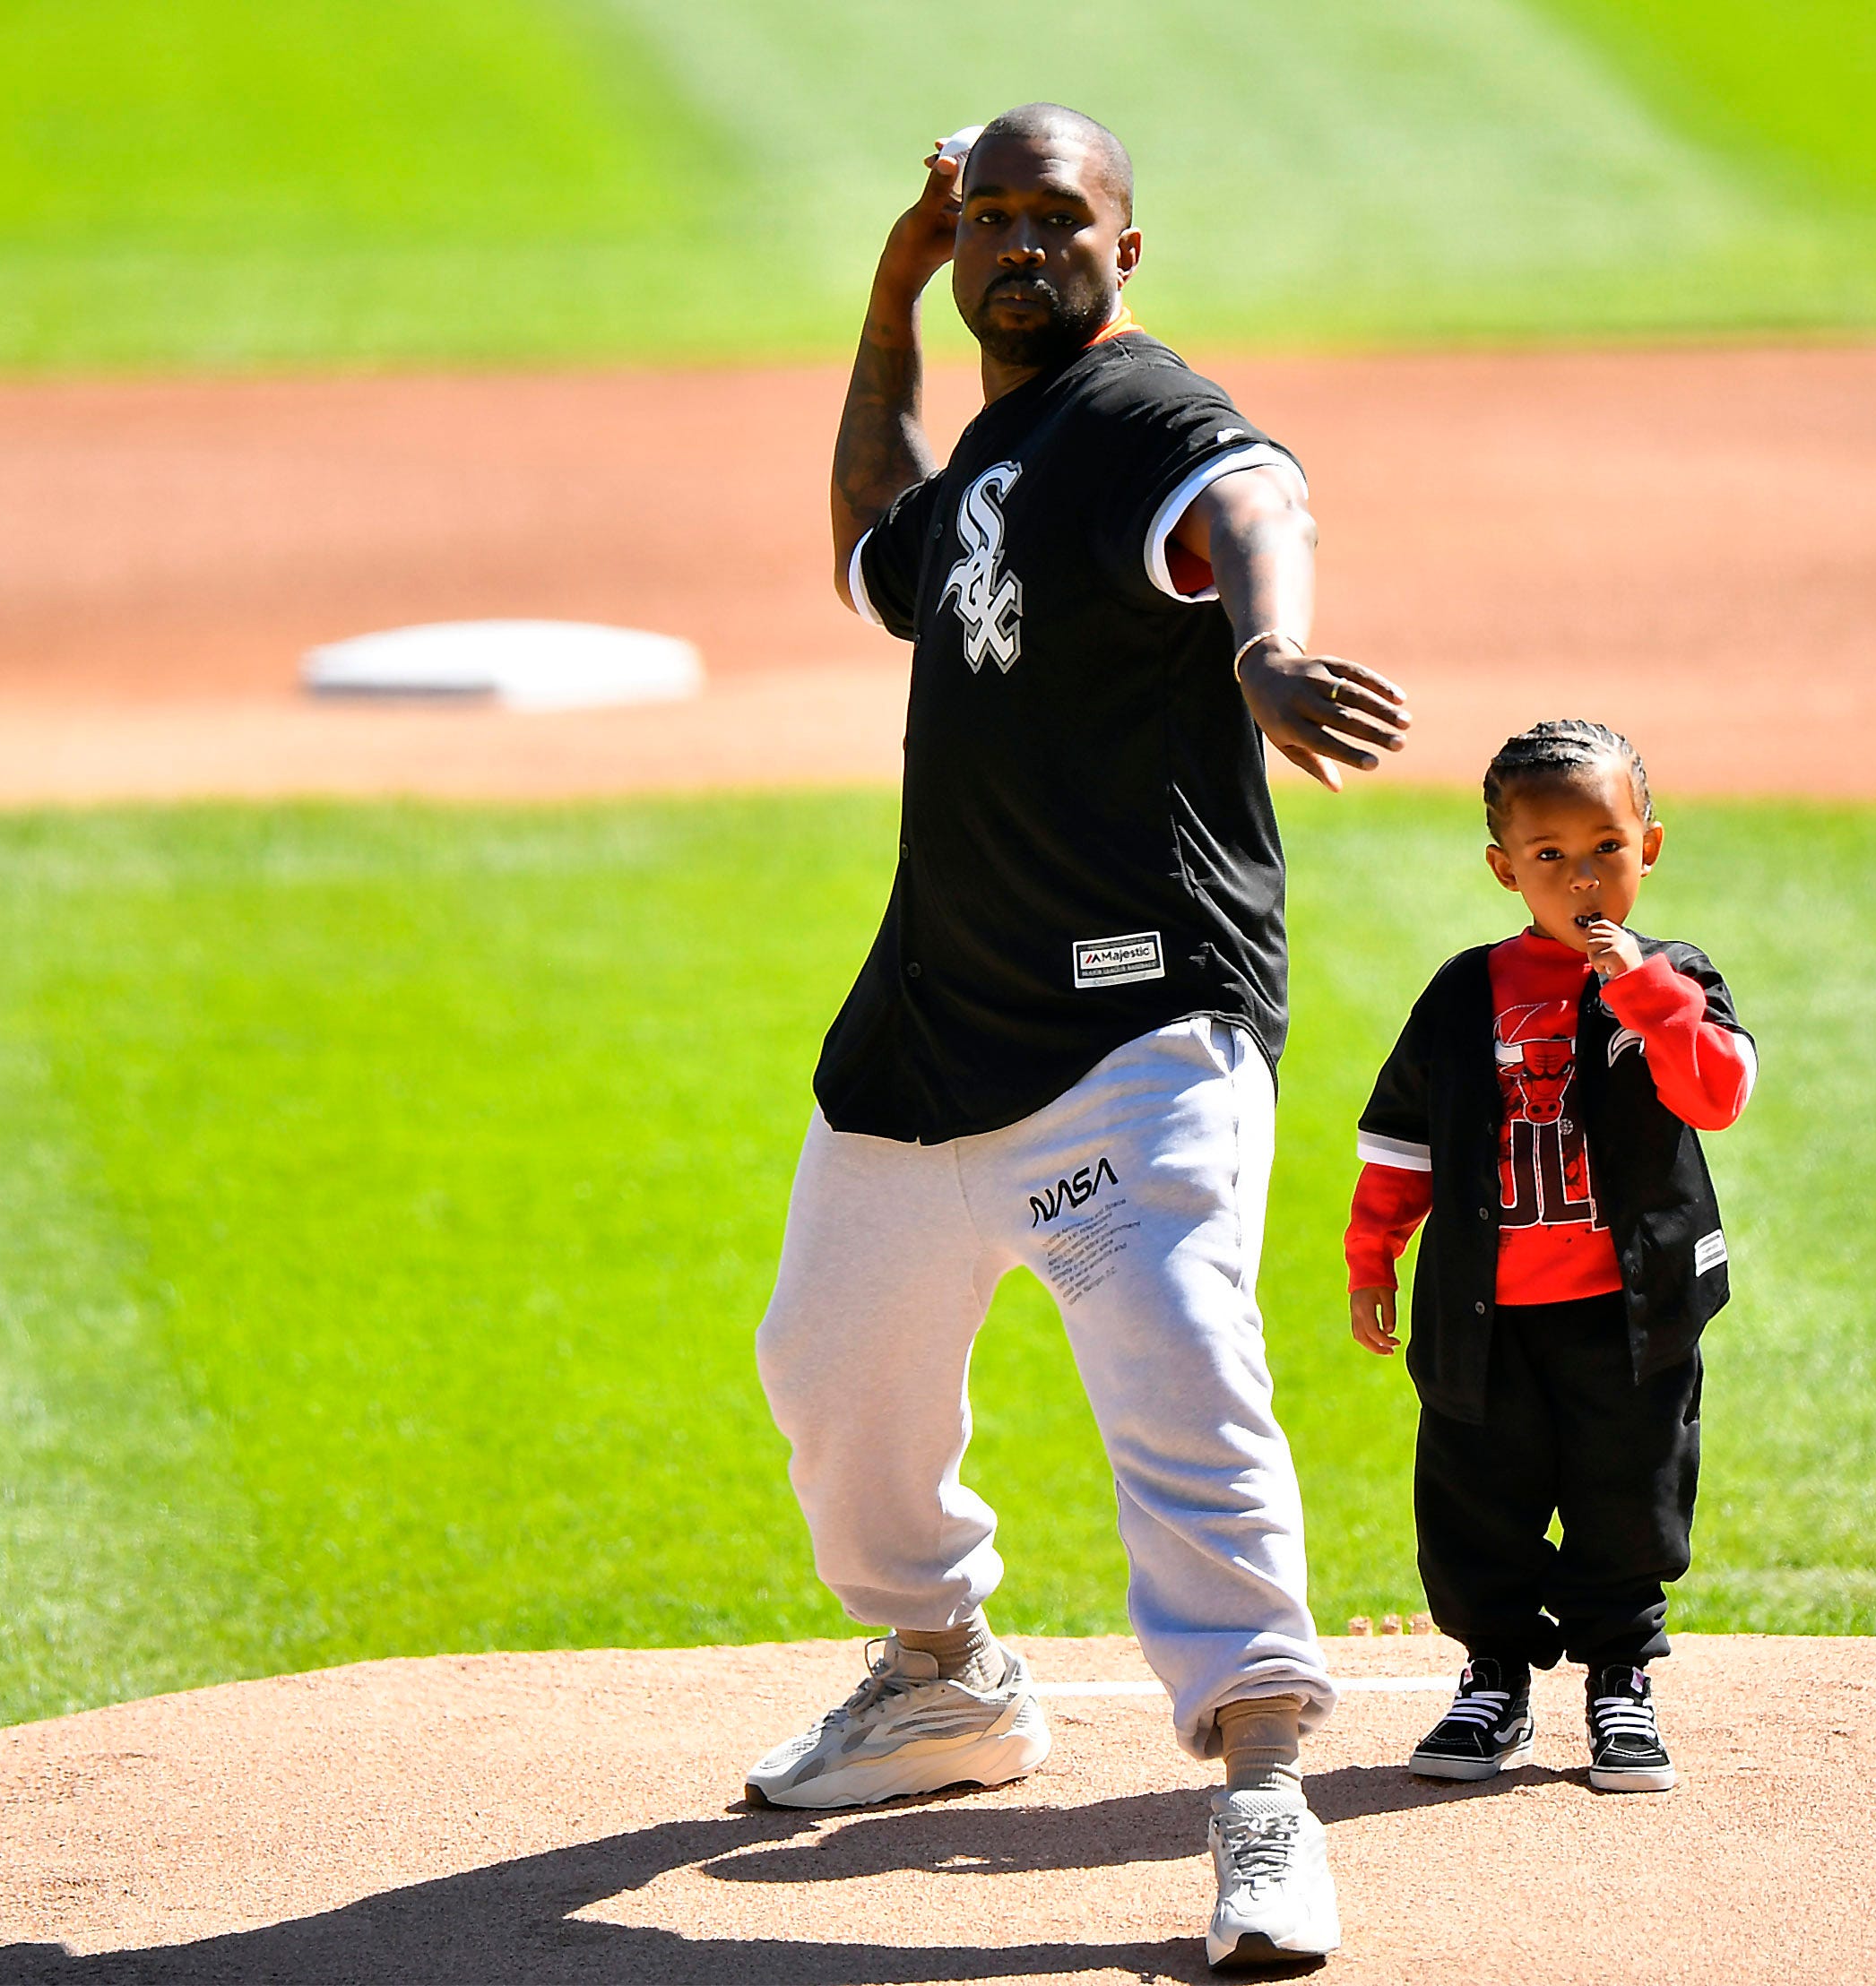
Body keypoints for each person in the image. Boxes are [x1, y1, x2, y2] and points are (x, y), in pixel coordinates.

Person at [745, 103, 1411, 1972]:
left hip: (1139, 1023)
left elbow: (1252, 491)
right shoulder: (988, 463)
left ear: (1128, 252)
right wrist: (886, 295)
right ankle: (944, 1673)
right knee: (829, 1375)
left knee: (1184, 1375)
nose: (1021, 245)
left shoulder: (1137, 417)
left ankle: (1263, 1791)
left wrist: (1270, 647)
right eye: (994, 221)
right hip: (934, 1024)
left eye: (1063, 218)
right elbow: (873, 543)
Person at [1344, 720, 1754, 1791]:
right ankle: (1493, 1678)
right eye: (1551, 856)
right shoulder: (1463, 990)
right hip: (1487, 1313)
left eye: (1607, 849)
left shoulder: (1676, 975)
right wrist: (1372, 1255)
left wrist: (1645, 992)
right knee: (1477, 1499)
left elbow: (1715, 1092)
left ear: (1649, 847)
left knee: (1632, 1494)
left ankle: (1620, 1679)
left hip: (1629, 1310)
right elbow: (1402, 1141)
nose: (1583, 878)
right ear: (1505, 867)